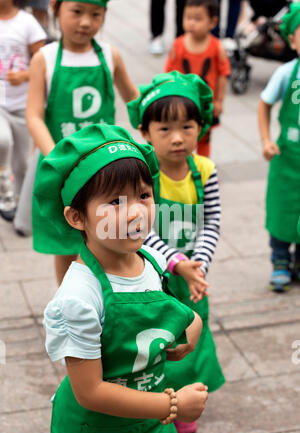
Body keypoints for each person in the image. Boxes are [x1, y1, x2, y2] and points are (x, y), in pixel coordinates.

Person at [35, 123, 208, 433]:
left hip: (153, 427)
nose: (135, 213)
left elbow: (169, 312)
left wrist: (191, 326)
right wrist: (173, 406)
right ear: (76, 218)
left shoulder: (151, 258)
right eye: (115, 201)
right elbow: (90, 391)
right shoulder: (79, 297)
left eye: (143, 195)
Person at [127, 71, 225, 433]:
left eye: (187, 126)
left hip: (191, 279)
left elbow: (212, 221)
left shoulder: (205, 171)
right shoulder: (142, 176)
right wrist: (176, 263)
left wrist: (198, 264)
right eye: (164, 129)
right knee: (153, 339)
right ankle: (151, 399)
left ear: (201, 127)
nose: (177, 138)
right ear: (145, 132)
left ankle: (187, 401)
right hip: (152, 274)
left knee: (190, 340)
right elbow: (141, 229)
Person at [22, 0, 139, 285]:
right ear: (55, 9)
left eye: (95, 14)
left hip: (105, 170)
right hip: (62, 172)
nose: (85, 22)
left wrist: (160, 122)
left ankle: (109, 302)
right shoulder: (45, 58)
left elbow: (136, 102)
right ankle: (69, 307)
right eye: (77, 12)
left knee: (108, 237)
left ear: (105, 16)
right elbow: (34, 115)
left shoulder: (112, 57)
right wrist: (57, 159)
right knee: (67, 243)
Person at [257, 2, 300, 292]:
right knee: (282, 210)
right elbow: (264, 104)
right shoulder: (288, 73)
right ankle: (280, 259)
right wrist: (266, 140)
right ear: (292, 40)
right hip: (288, 159)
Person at [165, 0, 231, 157]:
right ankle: (182, 166)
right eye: (188, 17)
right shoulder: (178, 45)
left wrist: (219, 100)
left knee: (204, 139)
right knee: (182, 136)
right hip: (183, 103)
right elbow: (169, 75)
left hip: (206, 105)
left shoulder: (216, 47)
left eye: (198, 19)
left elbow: (223, 74)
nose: (191, 23)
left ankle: (204, 170)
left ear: (213, 22)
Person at [0, 0, 46, 222]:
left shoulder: (27, 23)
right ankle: (4, 189)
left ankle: (18, 200)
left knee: (22, 164)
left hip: (22, 104)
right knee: (2, 140)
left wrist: (24, 76)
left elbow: (43, 61)